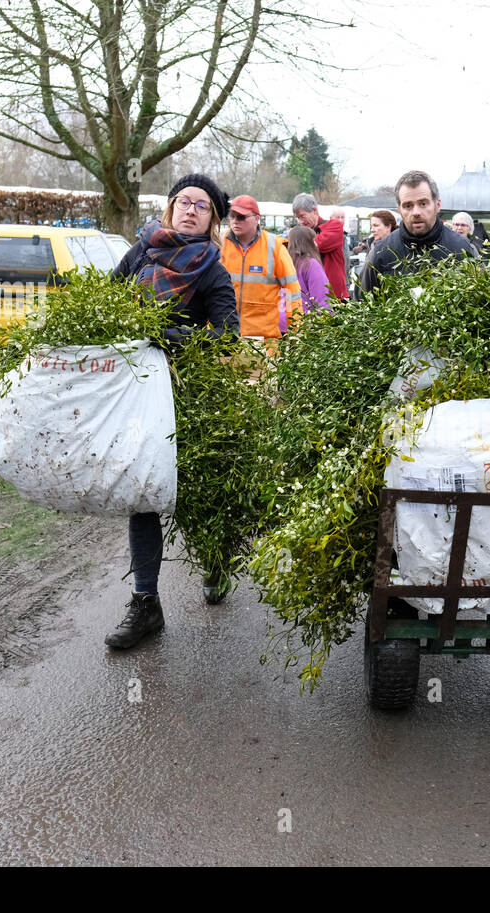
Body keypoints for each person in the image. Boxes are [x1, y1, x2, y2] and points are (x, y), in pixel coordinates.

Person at [108, 173, 239, 648]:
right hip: (138, 395)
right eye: (183, 200)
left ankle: (217, 564)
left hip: (188, 393)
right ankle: (146, 604)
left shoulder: (211, 269)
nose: (190, 208)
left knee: (200, 490)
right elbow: (106, 302)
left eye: (202, 206)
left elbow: (228, 335)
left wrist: (171, 339)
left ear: (212, 222)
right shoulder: (141, 251)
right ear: (169, 207)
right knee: (143, 494)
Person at [360, 170, 478, 294]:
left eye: (423, 203)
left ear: (437, 205)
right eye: (408, 206)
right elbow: (361, 304)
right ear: (399, 210)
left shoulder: (464, 250)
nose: (416, 212)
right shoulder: (380, 253)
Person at [220, 194, 302, 338]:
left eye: (241, 217)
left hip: (264, 341)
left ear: (257, 218)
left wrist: (296, 332)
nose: (235, 221)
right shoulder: (219, 244)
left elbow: (291, 293)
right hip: (223, 338)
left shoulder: (275, 247)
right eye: (232, 216)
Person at [291, 193, 348, 299]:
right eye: (298, 218)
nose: (300, 221)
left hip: (334, 296)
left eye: (302, 216)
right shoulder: (304, 231)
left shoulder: (334, 225)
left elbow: (317, 245)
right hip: (310, 295)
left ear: (315, 210)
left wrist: (298, 240)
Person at [287, 224, 332, 315]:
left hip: (288, 319)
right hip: (307, 322)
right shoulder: (310, 264)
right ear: (308, 242)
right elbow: (322, 297)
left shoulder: (286, 263)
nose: (316, 243)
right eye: (314, 240)